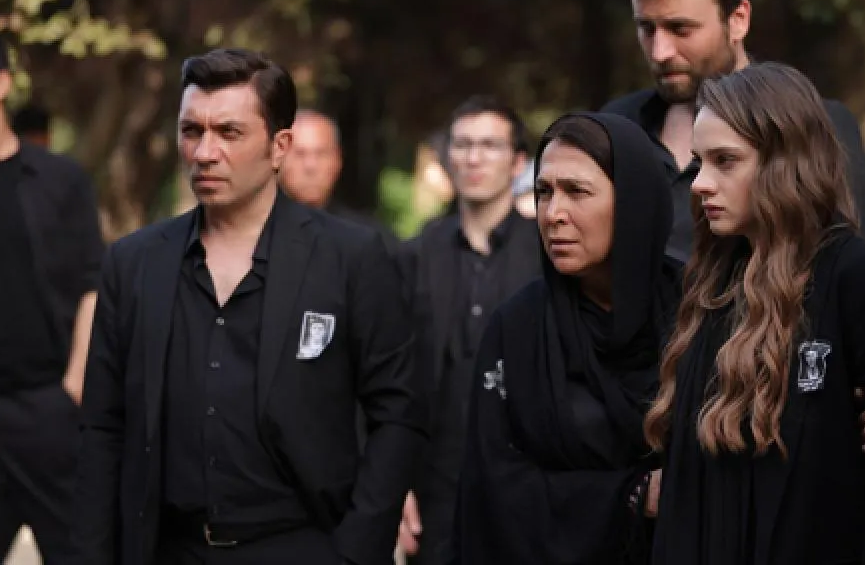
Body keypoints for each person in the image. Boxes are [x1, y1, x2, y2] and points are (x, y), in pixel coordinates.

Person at [72, 48, 424, 565]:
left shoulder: (351, 258)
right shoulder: (134, 263)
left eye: (229, 133)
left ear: (280, 146)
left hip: (302, 545)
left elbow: (397, 414)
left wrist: (356, 549)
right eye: (191, 131)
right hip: (169, 548)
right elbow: (104, 428)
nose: (204, 152)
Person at [645, 62, 865, 564]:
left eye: (725, 161)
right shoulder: (708, 285)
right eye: (698, 162)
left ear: (786, 163)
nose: (700, 183)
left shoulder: (859, 280)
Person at [453, 113, 679, 564]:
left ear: (633, 202)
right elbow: (493, 487)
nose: (553, 214)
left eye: (576, 191)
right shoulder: (518, 328)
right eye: (544, 192)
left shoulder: (699, 313)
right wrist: (630, 495)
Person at [605, 0, 865, 261]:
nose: (660, 51)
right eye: (646, 28)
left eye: (681, 29)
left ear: (738, 19)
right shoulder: (616, 129)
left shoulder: (815, 124)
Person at [399, 96, 541, 565]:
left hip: (527, 485)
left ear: (518, 162)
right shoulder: (413, 254)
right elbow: (386, 378)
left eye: (489, 145)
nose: (474, 158)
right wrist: (395, 484)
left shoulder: (547, 254)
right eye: (462, 145)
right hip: (434, 488)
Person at [0, 38, 103, 564]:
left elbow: (93, 282)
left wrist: (76, 382)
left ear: (1, 83)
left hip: (46, 409)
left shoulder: (60, 180)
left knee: (81, 552)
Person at [280, 108, 397, 246]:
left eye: (321, 154)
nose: (310, 166)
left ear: (337, 160)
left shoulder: (368, 240)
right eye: (300, 154)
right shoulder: (260, 234)